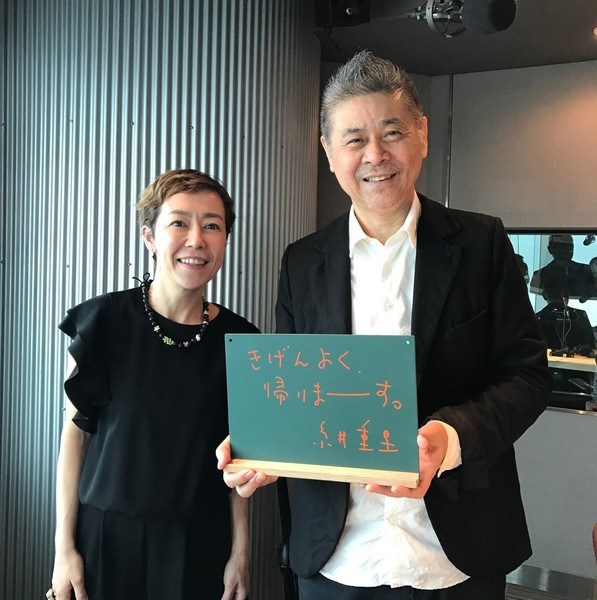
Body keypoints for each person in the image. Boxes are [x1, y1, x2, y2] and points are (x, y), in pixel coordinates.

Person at [217, 51, 551, 599]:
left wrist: (449, 438)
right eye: (354, 139)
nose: (375, 155)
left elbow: (529, 377)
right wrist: (265, 445)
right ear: (329, 152)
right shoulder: (301, 262)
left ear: (422, 134)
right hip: (337, 554)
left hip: (455, 553)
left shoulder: (481, 244)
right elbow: (298, 391)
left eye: (392, 132)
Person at [49, 169, 258, 600]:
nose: (196, 239)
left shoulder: (242, 340)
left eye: (212, 226)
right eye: (179, 222)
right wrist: (63, 548)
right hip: (105, 539)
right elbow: (74, 436)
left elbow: (243, 458)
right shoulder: (103, 322)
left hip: (200, 541)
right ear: (150, 237)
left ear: (225, 240)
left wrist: (241, 552)